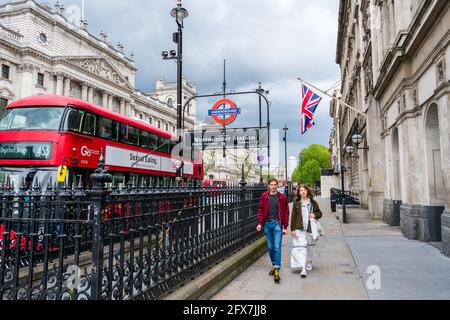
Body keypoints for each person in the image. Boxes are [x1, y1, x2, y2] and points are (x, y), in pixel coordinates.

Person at [256, 178, 290, 283]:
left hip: (277, 224)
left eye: (275, 184)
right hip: (267, 224)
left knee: (277, 247)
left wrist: (285, 227)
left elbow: (286, 212)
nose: (273, 186)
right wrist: (260, 223)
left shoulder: (282, 197)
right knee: (270, 247)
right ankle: (274, 265)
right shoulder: (264, 196)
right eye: (271, 184)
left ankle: (276, 271)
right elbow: (260, 210)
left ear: (277, 185)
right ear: (269, 186)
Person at [290, 185, 323, 278]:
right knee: (300, 248)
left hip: (310, 229)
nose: (303, 192)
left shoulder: (313, 203)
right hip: (299, 228)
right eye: (301, 190)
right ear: (299, 192)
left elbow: (320, 213)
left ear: (307, 191)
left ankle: (309, 261)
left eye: (304, 190)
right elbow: (293, 217)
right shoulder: (296, 203)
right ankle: (303, 268)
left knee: (310, 248)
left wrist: (314, 215)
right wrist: (292, 229)